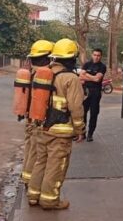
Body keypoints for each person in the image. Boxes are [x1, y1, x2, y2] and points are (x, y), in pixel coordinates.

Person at [26, 38, 85, 210]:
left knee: (40, 162)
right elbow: (76, 107)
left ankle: (33, 196)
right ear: (71, 58)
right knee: (56, 166)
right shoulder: (70, 78)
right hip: (60, 132)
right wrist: (80, 129)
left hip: (41, 127)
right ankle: (50, 200)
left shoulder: (43, 73)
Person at [19, 39, 55, 186]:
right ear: (48, 57)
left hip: (29, 118)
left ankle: (26, 176)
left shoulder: (30, 73)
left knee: (29, 148)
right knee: (36, 152)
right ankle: (30, 181)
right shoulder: (46, 75)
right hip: (38, 120)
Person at [80, 48, 107, 142]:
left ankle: (90, 134)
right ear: (92, 55)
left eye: (98, 55)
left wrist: (86, 75)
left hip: (96, 93)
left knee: (94, 114)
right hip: (86, 92)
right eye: (95, 55)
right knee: (82, 113)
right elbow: (81, 77)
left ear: (101, 56)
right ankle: (82, 133)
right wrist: (92, 77)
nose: (96, 57)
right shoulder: (87, 64)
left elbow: (97, 79)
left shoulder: (102, 66)